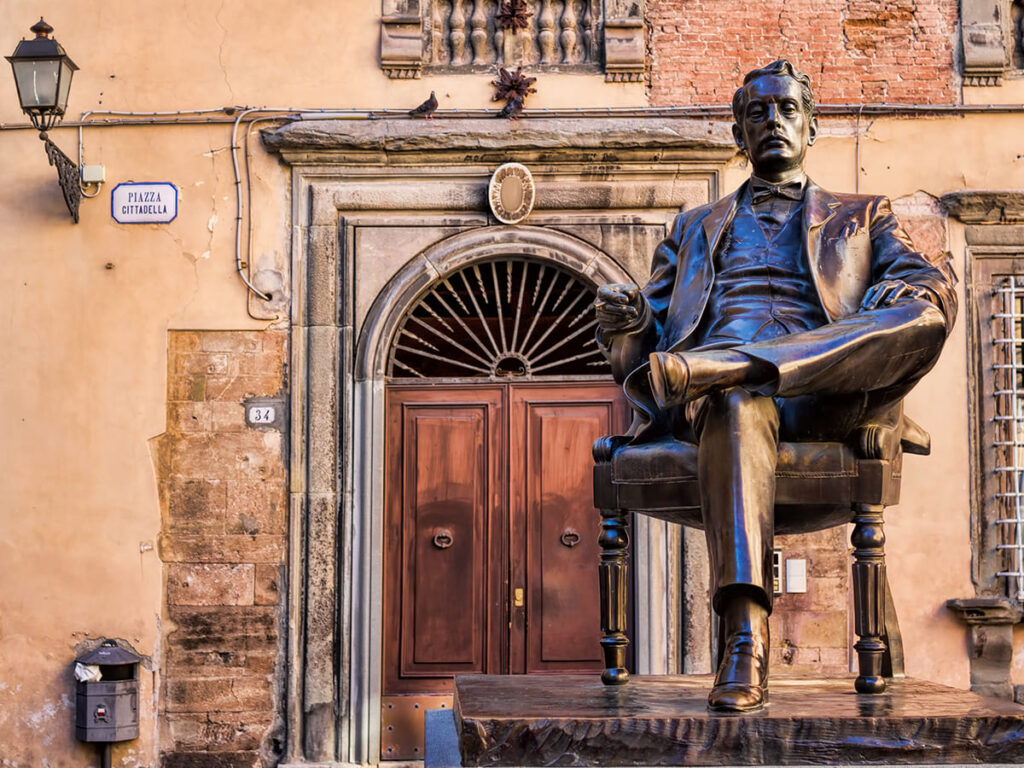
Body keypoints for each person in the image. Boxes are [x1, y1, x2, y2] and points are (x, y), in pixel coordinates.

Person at [594, 60, 956, 712]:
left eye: (787, 108)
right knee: (736, 402)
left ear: (811, 123)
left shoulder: (863, 216)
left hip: (829, 402)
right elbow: (640, 363)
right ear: (739, 130)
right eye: (757, 112)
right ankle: (745, 638)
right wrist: (624, 327)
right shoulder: (689, 229)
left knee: (928, 312)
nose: (773, 122)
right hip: (717, 406)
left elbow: (924, 302)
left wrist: (896, 304)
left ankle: (730, 363)